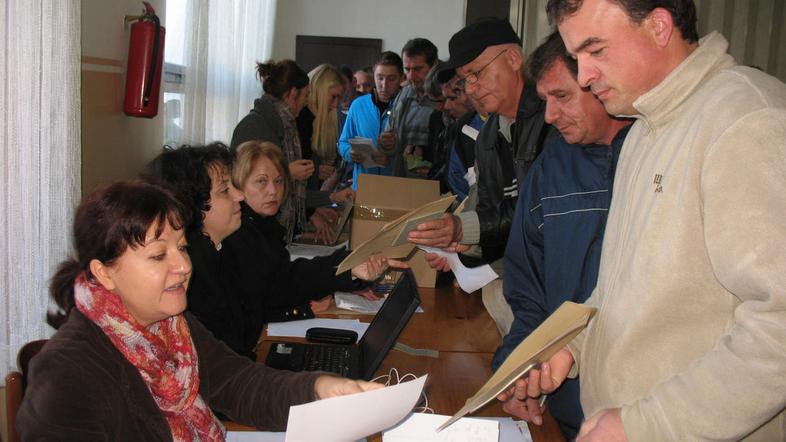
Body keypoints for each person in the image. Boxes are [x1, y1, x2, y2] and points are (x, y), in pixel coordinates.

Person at [507, 0, 786, 440]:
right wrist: (571, 346)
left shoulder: (745, 119)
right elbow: (620, 285)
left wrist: (650, 424)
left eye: (595, 51)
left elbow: (779, 325)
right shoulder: (643, 129)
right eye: (577, 58)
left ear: (659, 26)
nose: (583, 76)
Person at [16, 180, 381, 439]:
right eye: (159, 255)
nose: (183, 266)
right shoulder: (68, 372)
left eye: (182, 248)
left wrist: (320, 388)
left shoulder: (170, 323)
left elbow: (237, 383)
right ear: (103, 273)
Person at [493, 31, 631, 440]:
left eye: (562, 97)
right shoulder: (551, 167)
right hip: (570, 407)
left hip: (648, 415)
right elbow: (529, 293)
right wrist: (517, 370)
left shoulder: (655, 158)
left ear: (600, 82)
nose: (550, 116)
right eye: (545, 101)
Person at [144, 144, 398, 359]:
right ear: (193, 206)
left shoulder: (214, 252)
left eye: (278, 182)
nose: (239, 197)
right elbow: (226, 367)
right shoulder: (193, 272)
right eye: (225, 190)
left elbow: (276, 282)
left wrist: (351, 267)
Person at [408, 18, 553, 266]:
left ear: (513, 59)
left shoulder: (554, 117)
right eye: (465, 80)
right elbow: (489, 211)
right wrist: (465, 247)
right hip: (517, 278)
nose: (471, 88)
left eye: (476, 73)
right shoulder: (487, 136)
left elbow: (546, 203)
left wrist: (465, 229)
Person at [232, 59, 349, 243]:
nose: (306, 102)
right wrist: (287, 172)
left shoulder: (285, 125)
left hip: (273, 229)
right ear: (293, 94)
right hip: (257, 232)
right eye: (306, 95)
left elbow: (294, 192)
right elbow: (243, 182)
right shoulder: (256, 126)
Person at [338, 51, 404, 190]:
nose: (384, 85)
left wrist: (391, 161)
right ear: (373, 77)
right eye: (380, 78)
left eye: (391, 79)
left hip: (396, 189)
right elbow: (343, 142)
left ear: (401, 78)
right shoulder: (358, 105)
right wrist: (350, 153)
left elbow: (415, 155)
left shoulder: (407, 107)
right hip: (363, 188)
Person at [379, 38, 439, 177]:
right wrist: (385, 142)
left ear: (434, 65)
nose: (411, 76)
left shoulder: (446, 99)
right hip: (402, 181)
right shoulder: (403, 95)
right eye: (407, 69)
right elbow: (391, 144)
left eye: (418, 69)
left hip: (435, 185)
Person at [296, 64, 346, 194]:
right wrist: (315, 171)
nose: (335, 105)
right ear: (320, 91)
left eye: (338, 98)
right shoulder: (301, 119)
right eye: (333, 97)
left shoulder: (313, 118)